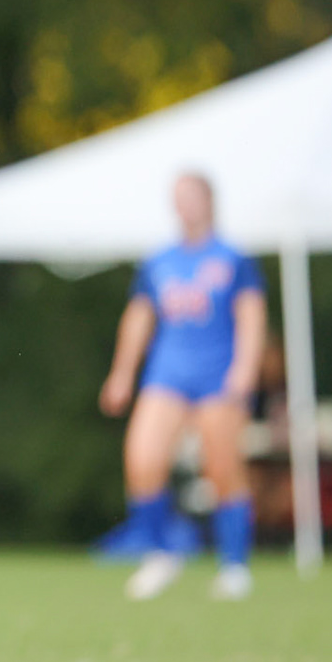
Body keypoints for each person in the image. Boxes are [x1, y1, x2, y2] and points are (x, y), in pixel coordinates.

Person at [98, 172, 268, 600]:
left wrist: (245, 370)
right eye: (179, 198)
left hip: (218, 374)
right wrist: (122, 373)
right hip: (167, 373)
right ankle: (159, 554)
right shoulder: (159, 262)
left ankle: (234, 566)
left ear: (210, 201)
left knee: (222, 467)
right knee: (142, 459)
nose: (186, 206)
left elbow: (251, 314)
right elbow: (138, 317)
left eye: (192, 197)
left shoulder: (233, 258)